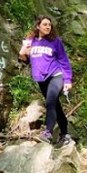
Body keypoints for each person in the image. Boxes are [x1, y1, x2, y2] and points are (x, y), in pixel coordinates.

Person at [19, 15, 73, 145]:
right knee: (55, 105)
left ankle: (47, 133)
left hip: (56, 75)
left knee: (50, 102)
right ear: (38, 26)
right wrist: (22, 54)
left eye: (49, 25)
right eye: (45, 24)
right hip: (41, 79)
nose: (48, 27)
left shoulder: (55, 41)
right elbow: (25, 61)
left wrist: (67, 80)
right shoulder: (31, 41)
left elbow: (64, 61)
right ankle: (65, 134)